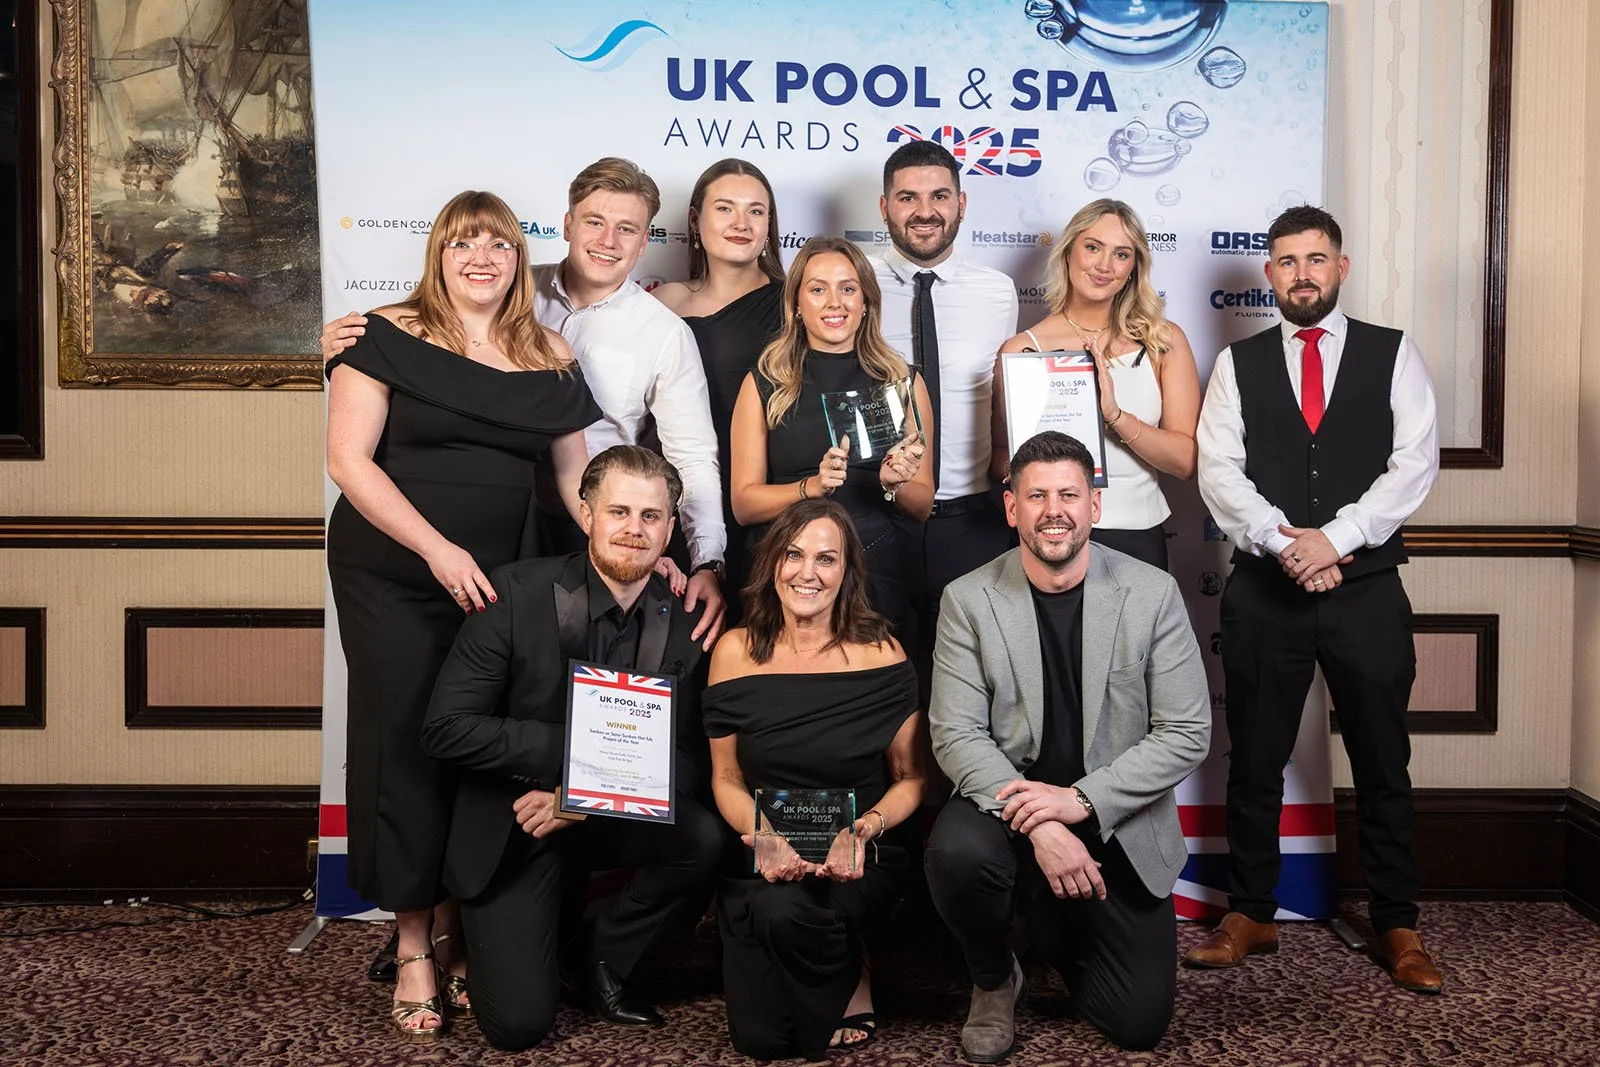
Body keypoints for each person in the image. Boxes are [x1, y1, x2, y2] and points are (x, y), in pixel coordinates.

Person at [325, 190, 600, 1041]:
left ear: (520, 260)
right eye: (463, 244)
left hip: (505, 584)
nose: (482, 258)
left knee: (483, 745)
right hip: (398, 572)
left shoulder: (547, 348)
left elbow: (571, 479)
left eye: (500, 245)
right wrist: (437, 549)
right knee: (406, 742)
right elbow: (348, 461)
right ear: (438, 254)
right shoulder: (381, 332)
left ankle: (461, 929)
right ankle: (412, 946)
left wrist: (628, 542)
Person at [1190, 205, 1443, 993]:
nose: (1302, 273)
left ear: (1341, 266)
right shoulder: (1239, 364)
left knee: (1381, 756)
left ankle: (1398, 919)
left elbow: (1414, 464)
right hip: (1266, 589)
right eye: (1287, 261)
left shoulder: (1393, 354)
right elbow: (1218, 470)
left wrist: (1335, 540)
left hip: (1365, 586)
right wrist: (1285, 542)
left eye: (1317, 259)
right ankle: (1252, 910)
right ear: (1269, 275)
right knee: (1256, 757)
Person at [323, 158, 729, 647]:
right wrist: (348, 350)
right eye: (595, 222)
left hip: (570, 538)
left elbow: (690, 458)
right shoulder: (498, 283)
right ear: (566, 225)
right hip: (413, 549)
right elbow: (358, 438)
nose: (608, 240)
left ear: (645, 242)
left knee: (527, 702)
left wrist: (666, 550)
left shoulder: (663, 335)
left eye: (627, 229)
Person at [418, 445, 726, 1051]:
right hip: (520, 823)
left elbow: (690, 758)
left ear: (670, 529)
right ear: (585, 514)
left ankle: (599, 951)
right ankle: (525, 934)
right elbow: (446, 727)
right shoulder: (512, 592)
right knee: (518, 1027)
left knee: (706, 838)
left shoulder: (687, 620)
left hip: (598, 815)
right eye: (618, 512)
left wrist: (586, 796)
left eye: (651, 516)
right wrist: (575, 764)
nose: (633, 531)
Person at [924, 431, 1210, 1058]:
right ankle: (995, 977)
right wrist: (1042, 825)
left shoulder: (1152, 593)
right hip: (1011, 811)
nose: (1054, 509)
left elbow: (1187, 734)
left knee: (1136, 1025)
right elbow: (955, 733)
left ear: (1095, 507)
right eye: (1037, 496)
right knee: (956, 854)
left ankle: (1055, 934)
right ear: (1011, 509)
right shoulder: (968, 600)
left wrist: (1078, 803)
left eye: (1069, 495)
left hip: (1114, 818)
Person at [703, 498, 926, 1060]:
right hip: (766, 850)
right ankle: (838, 961)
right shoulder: (733, 651)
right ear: (773, 561)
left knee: (791, 914)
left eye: (826, 559)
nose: (808, 573)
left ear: (848, 571)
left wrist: (865, 829)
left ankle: (854, 966)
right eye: (794, 554)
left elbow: (910, 778)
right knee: (763, 1040)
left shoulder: (883, 652)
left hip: (857, 852)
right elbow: (726, 776)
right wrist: (762, 835)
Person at [729, 236, 934, 637]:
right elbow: (743, 504)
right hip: (790, 573)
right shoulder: (765, 384)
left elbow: (922, 504)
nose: (834, 302)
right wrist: (813, 487)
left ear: (866, 303)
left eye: (848, 288)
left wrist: (892, 483)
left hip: (879, 570)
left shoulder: (903, 382)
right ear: (797, 306)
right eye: (818, 289)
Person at [871, 140, 1019, 690]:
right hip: (879, 515)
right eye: (907, 197)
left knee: (973, 692)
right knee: (881, 685)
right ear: (884, 206)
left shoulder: (998, 292)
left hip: (972, 523)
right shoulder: (853, 286)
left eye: (939, 195)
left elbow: (1005, 401)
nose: (924, 211)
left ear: (962, 202)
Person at [995, 199, 1201, 570]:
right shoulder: (1025, 349)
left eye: (1121, 254)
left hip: (1137, 533)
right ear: (1069, 252)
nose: (1104, 266)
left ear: (1134, 268)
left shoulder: (1163, 341)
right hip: (1052, 531)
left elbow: (1185, 462)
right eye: (1093, 247)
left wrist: (1115, 416)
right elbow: (999, 459)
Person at [653, 158, 787, 619]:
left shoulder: (795, 304)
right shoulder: (663, 303)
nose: (741, 223)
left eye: (756, 211)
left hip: (765, 501)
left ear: (770, 224)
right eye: (725, 208)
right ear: (695, 219)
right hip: (681, 496)